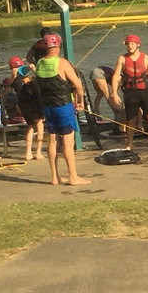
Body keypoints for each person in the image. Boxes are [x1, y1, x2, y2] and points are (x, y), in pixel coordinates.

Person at [36, 32, 91, 186]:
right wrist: (80, 103)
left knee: (52, 140)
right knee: (67, 142)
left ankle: (55, 177)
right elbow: (78, 87)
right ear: (58, 45)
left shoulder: (40, 63)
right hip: (64, 106)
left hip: (48, 107)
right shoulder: (62, 63)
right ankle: (73, 177)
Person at [110, 33, 148, 151]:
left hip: (145, 92)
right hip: (130, 92)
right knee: (131, 120)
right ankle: (130, 144)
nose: (130, 46)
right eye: (128, 44)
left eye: (132, 44)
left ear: (138, 45)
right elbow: (116, 76)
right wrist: (114, 92)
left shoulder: (146, 58)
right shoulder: (122, 59)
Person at [9, 56, 45, 161]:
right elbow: (38, 83)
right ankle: (38, 152)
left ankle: (28, 153)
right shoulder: (25, 79)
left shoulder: (13, 79)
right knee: (40, 126)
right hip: (33, 103)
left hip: (23, 104)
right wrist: (33, 69)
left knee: (30, 126)